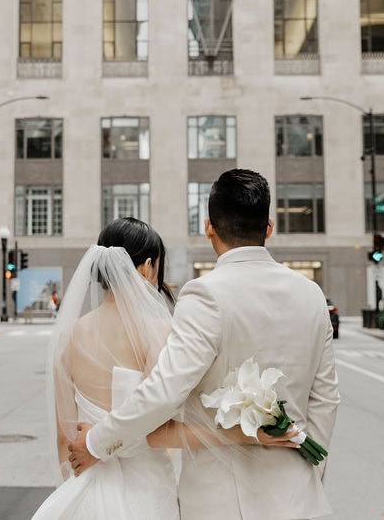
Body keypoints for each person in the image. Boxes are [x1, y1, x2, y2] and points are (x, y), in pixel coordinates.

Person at [68, 169, 340, 519]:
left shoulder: (204, 294)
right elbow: (326, 398)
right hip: (300, 499)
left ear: (209, 226)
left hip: (220, 502)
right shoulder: (311, 294)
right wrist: (310, 469)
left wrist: (96, 442)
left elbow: (164, 391)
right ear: (269, 227)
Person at [33, 217, 295, 520]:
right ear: (147, 266)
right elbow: (162, 432)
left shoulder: (67, 337)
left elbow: (64, 441)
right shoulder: (156, 331)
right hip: (145, 493)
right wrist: (245, 434)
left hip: (85, 492)